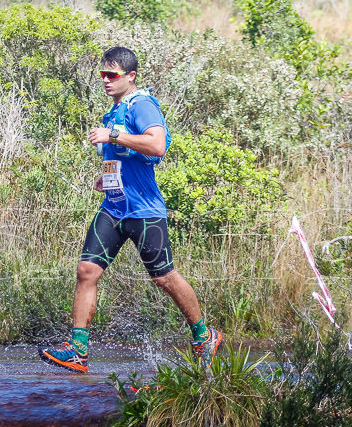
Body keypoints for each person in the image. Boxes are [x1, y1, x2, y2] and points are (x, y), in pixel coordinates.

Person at [38, 46, 222, 373]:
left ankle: (203, 334)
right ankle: (78, 350)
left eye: (113, 75)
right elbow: (125, 157)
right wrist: (106, 177)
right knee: (86, 271)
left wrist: (115, 135)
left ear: (131, 76)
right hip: (114, 207)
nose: (106, 81)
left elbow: (157, 145)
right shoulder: (114, 111)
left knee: (164, 278)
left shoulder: (143, 105)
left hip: (143, 211)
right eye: (103, 75)